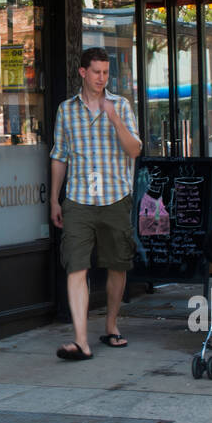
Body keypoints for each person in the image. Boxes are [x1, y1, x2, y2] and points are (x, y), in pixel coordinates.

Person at [50, 47, 143, 359]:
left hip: (115, 198)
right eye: (96, 72)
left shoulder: (121, 105)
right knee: (76, 266)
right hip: (77, 199)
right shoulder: (66, 110)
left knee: (117, 265)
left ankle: (111, 325)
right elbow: (59, 156)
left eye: (106, 72)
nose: (102, 78)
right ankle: (80, 341)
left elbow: (134, 150)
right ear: (83, 72)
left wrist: (115, 120)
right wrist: (54, 199)